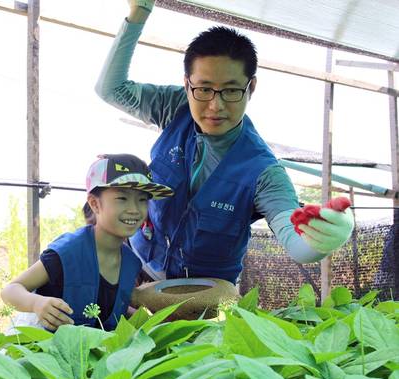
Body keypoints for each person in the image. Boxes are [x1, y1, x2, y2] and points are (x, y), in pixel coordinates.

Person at [95, 0, 354, 284]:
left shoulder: (264, 172)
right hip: (140, 270)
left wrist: (326, 236)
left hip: (206, 294)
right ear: (187, 84)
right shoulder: (176, 107)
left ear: (250, 87)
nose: (215, 106)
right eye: (204, 89)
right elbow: (110, 89)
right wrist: (139, 13)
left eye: (230, 91)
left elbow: (296, 243)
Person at [1, 154, 173, 331]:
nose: (134, 210)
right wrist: (37, 303)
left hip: (89, 352)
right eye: (122, 198)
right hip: (40, 348)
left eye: (142, 200)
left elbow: (111, 307)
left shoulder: (131, 262)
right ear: (94, 204)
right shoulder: (68, 252)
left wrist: (160, 325)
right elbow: (11, 290)